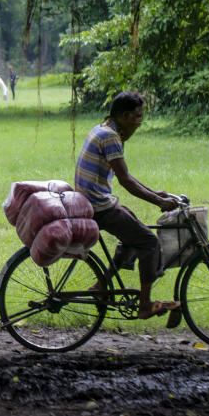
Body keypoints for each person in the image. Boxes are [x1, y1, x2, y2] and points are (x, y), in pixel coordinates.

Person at [74, 90, 181, 320]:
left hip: (93, 201)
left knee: (133, 229)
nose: (139, 123)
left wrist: (156, 193)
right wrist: (158, 201)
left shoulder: (102, 128)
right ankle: (145, 305)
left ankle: (100, 285)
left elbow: (126, 176)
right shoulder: (111, 137)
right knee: (149, 242)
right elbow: (125, 181)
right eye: (137, 117)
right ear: (123, 116)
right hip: (98, 206)